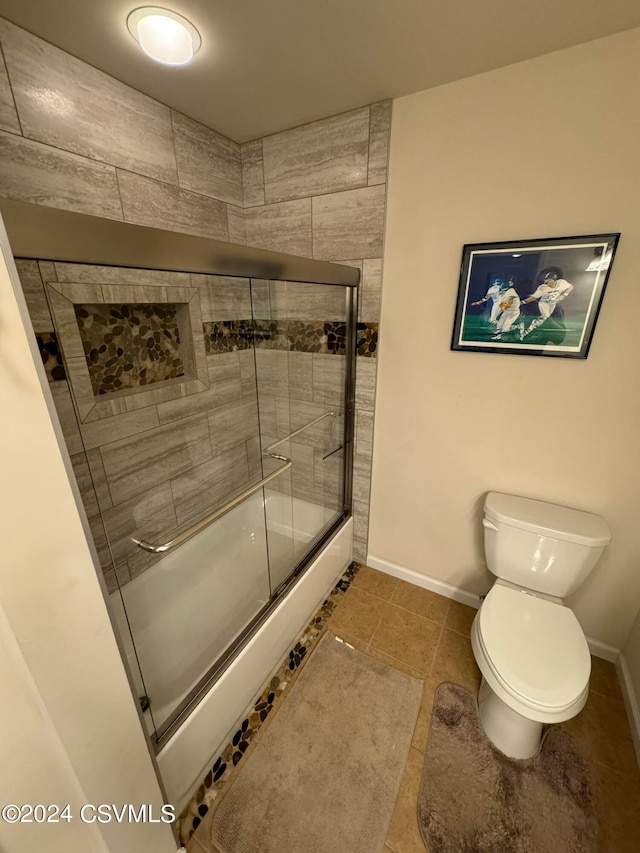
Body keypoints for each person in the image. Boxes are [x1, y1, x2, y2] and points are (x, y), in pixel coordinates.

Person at [519, 272, 573, 340]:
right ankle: (528, 329)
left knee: (543, 318)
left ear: (555, 280)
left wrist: (564, 295)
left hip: (552, 303)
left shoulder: (561, 283)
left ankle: (527, 330)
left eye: (550, 281)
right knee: (545, 316)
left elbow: (570, 286)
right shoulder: (543, 288)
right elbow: (533, 297)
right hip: (544, 303)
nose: (548, 283)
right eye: (547, 281)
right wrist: (523, 302)